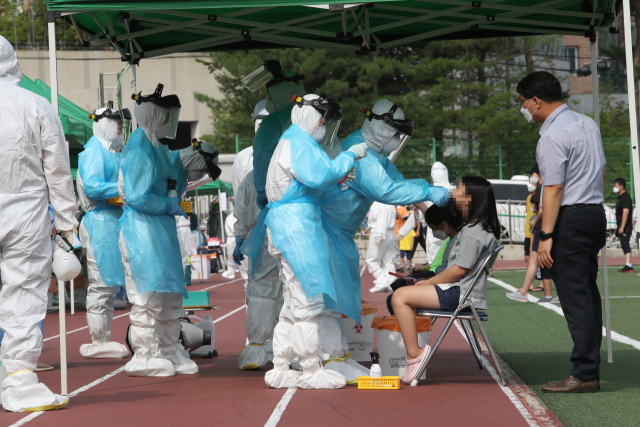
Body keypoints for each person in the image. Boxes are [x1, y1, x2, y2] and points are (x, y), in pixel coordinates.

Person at [318, 99, 448, 382]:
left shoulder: (375, 154)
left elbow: (400, 183)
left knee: (343, 295)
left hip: (339, 233)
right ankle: (324, 359)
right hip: (325, 230)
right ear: (384, 129)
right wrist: (430, 189)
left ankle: (338, 356)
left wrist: (431, 214)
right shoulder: (360, 152)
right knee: (327, 299)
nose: (398, 139)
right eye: (397, 133)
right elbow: (387, 191)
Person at [260, 94, 367, 389]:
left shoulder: (293, 141)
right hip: (297, 232)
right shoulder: (299, 142)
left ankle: (281, 365)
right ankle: (310, 367)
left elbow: (306, 185)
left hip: (290, 228)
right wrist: (349, 156)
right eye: (322, 118)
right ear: (309, 115)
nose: (324, 124)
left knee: (292, 304)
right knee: (309, 301)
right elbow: (319, 174)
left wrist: (339, 178)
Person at [0, 36, 77, 412]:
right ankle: (18, 380)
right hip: (26, 212)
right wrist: (66, 224)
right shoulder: (36, 105)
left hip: (25, 207)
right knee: (24, 293)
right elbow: (59, 171)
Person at [518, 71, 606, 393]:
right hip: (595, 212)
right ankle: (589, 368)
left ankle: (584, 373)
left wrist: (546, 235)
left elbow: (554, 187)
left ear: (536, 101)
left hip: (570, 219)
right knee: (588, 294)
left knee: (575, 297)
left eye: (523, 102)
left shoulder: (551, 136)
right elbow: (600, 171)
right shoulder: (587, 124)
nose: (523, 108)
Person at [119, 83, 197, 377]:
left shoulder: (157, 146)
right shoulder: (140, 146)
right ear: (154, 114)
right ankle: (144, 354)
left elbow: (170, 183)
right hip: (142, 232)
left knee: (168, 294)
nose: (171, 121)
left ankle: (167, 348)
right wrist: (166, 203)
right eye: (168, 115)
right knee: (148, 296)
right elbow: (137, 196)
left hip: (159, 232)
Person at [391, 176, 500, 385]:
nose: (452, 194)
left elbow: (458, 270)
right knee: (405, 294)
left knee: (400, 297)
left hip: (460, 294)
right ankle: (413, 350)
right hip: (460, 292)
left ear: (470, 199)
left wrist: (430, 282)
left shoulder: (473, 232)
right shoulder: (475, 228)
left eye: (458, 191)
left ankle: (414, 354)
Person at [77, 104, 131, 359]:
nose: (121, 128)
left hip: (112, 222)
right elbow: (93, 187)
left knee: (109, 284)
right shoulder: (93, 151)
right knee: (100, 284)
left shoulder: (114, 152)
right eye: (117, 123)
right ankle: (98, 340)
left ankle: (103, 337)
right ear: (103, 123)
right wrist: (123, 188)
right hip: (99, 223)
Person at [234, 169, 283, 370]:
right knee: (288, 293)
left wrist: (240, 238)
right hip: (290, 236)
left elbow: (242, 210)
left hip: (262, 237)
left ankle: (258, 348)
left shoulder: (253, 175)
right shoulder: (293, 164)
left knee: (263, 292)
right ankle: (283, 349)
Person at [387, 204, 460, 315]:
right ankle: (414, 325)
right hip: (444, 283)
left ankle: (415, 327)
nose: (433, 233)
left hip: (449, 289)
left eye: (433, 229)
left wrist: (427, 282)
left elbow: (452, 273)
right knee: (398, 289)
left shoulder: (457, 241)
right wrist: (423, 277)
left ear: (443, 225)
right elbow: (443, 269)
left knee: (396, 297)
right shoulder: (449, 239)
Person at [505, 169, 558, 304]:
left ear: (538, 174)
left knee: (534, 260)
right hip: (546, 228)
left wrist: (535, 221)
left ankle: (524, 291)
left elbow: (542, 209)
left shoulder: (542, 188)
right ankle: (532, 291)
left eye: (532, 174)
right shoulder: (547, 187)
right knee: (544, 261)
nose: (531, 177)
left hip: (541, 228)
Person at [169, 142, 218, 273]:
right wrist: (165, 205)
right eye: (202, 171)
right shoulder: (168, 165)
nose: (200, 175)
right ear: (195, 160)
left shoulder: (179, 172)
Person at [396, 162, 452, 264]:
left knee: (435, 263)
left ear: (432, 175)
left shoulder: (429, 191)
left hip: (435, 233)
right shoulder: (454, 191)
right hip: (452, 233)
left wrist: (402, 232)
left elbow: (417, 215)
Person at [366, 202, 399, 292]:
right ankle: (391, 281)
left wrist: (379, 235)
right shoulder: (390, 202)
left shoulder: (379, 202)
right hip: (390, 232)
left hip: (380, 230)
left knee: (371, 260)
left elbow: (382, 218)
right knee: (388, 258)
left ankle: (382, 280)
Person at [613, 178, 634, 273]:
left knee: (625, 244)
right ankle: (628, 264)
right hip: (621, 225)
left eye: (615, 186)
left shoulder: (626, 198)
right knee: (623, 244)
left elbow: (625, 212)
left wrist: (622, 227)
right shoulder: (621, 198)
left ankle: (628, 265)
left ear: (621, 186)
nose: (614, 188)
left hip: (625, 226)